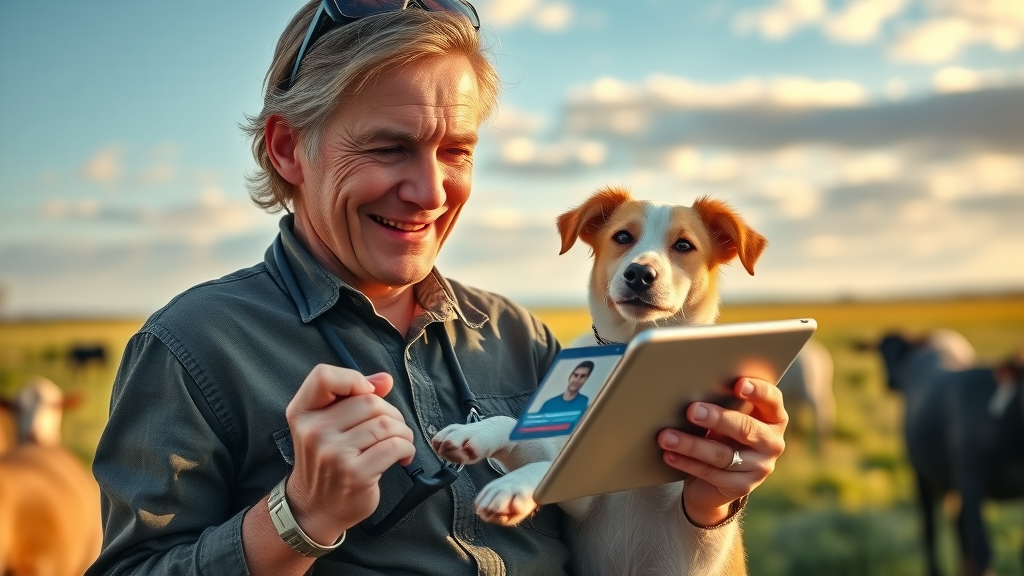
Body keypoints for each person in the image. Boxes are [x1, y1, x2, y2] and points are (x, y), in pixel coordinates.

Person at [86, 1, 789, 575]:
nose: (429, 192)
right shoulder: (192, 349)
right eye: (389, 147)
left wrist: (708, 501)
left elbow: (612, 540)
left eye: (456, 151)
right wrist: (295, 518)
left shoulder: (523, 339)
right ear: (286, 149)